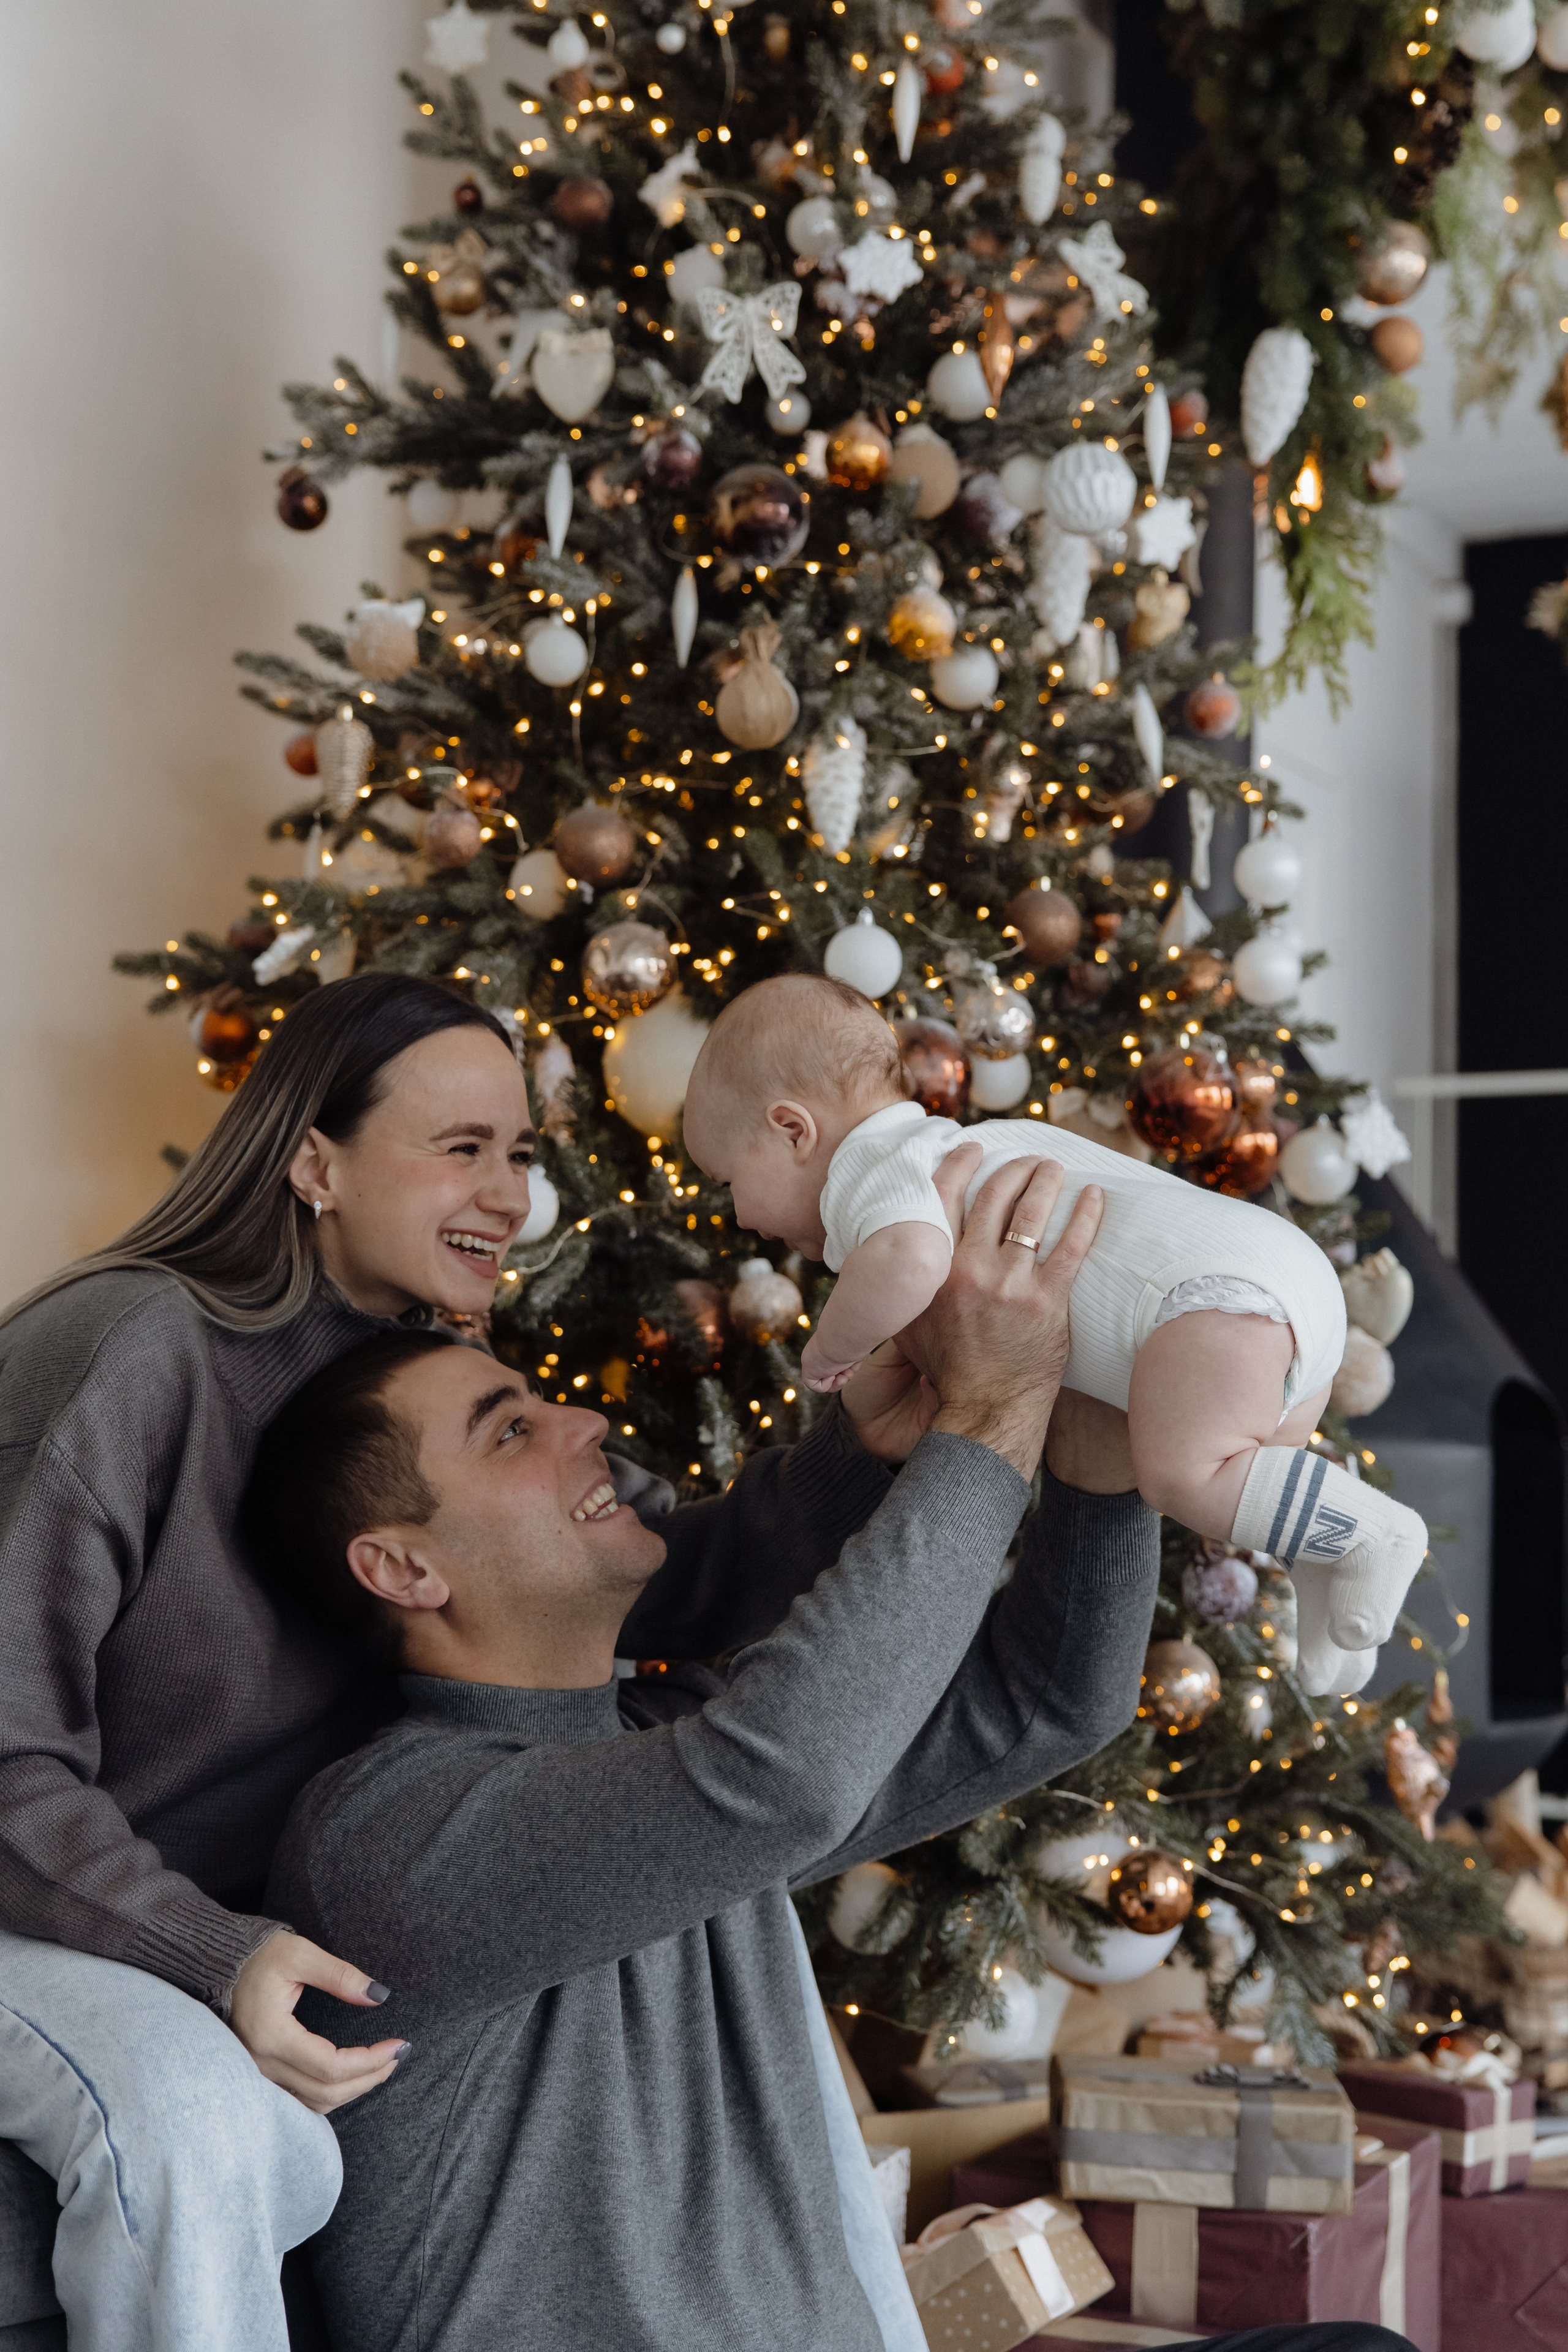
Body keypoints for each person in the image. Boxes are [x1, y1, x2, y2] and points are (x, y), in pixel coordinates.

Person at [0, 972, 927, 2352]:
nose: (511, 1197)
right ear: (313, 1159)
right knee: (198, 2122)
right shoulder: (125, 1352)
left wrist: (884, 1436)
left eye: (522, 1154)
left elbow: (672, 1576)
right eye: (462, 1150)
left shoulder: (409, 1367)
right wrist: (209, 1953)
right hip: (41, 1908)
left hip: (266, 1924)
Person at [249, 1158, 1155, 2351]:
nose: (584, 1425)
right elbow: (777, 1780)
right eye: (510, 1430)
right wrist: (987, 1421)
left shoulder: (661, 1743)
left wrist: (1089, 1447)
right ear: (404, 1568)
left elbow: (1048, 1698)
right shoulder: (385, 1830)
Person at [682, 971, 1427, 1697]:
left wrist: (830, 1349)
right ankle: (1332, 1572)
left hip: (1209, 1303)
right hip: (1280, 1276)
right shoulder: (971, 1142)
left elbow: (907, 1260)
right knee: (1257, 1475)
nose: (740, 1216)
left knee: (1182, 1476)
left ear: (791, 1129)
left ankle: (1374, 1534)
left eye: (727, 1182)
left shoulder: (876, 1174)